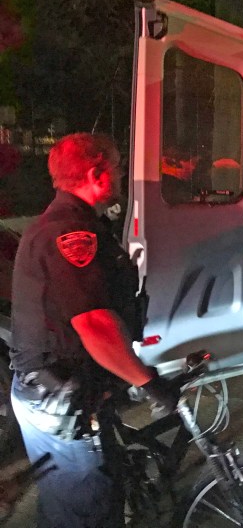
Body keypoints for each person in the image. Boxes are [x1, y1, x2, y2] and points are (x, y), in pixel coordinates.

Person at [9, 132, 180, 528]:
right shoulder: (71, 233)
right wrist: (150, 383)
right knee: (90, 509)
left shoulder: (77, 223)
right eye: (118, 166)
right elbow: (93, 325)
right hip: (58, 395)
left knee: (70, 504)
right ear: (95, 173)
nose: (121, 175)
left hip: (61, 386)